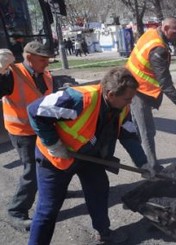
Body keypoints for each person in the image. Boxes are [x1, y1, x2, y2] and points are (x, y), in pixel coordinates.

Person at [27, 67, 146, 244]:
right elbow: (35, 110)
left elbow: (128, 135)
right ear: (111, 94)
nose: (130, 102)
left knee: (99, 192)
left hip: (90, 157)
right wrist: (53, 144)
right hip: (57, 159)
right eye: (127, 98)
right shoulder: (79, 99)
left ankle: (104, 233)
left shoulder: (122, 107)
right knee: (48, 209)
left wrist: (143, 164)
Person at [126, 16, 176, 177]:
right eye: (175, 32)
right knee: (147, 131)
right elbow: (165, 84)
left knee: (140, 129)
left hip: (134, 84)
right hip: (139, 91)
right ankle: (152, 168)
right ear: (165, 28)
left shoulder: (151, 32)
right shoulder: (158, 49)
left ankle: (142, 161)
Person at [0, 41, 55, 231]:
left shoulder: (45, 75)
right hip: (21, 131)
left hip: (40, 129)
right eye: (42, 60)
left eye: (47, 59)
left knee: (50, 164)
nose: (46, 63)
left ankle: (50, 191)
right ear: (29, 58)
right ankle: (16, 211)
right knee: (31, 171)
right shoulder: (11, 74)